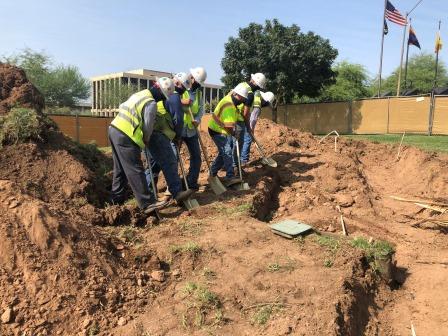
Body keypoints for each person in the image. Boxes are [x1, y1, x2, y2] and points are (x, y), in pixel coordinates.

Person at [108, 77, 174, 214]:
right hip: (126, 134)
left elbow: (122, 107)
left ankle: (115, 200)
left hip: (114, 128)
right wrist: (146, 139)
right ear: (160, 92)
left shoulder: (140, 94)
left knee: (120, 168)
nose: (162, 99)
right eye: (163, 96)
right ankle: (147, 203)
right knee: (135, 168)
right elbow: (148, 126)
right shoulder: (151, 103)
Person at [145, 74, 194, 204]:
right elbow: (178, 120)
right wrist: (178, 137)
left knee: (153, 166)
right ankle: (176, 192)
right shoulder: (174, 97)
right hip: (160, 132)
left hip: (150, 132)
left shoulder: (160, 95)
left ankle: (149, 195)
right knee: (170, 161)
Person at [208, 83, 249, 185]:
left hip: (220, 129)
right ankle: (230, 176)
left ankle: (212, 172)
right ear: (238, 96)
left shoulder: (231, 98)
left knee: (224, 152)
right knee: (227, 151)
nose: (243, 102)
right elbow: (229, 126)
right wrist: (235, 133)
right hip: (217, 130)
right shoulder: (229, 105)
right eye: (243, 99)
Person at [177, 67, 207, 191]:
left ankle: (191, 182)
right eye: (197, 82)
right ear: (192, 78)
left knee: (196, 157)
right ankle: (174, 185)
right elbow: (171, 102)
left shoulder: (199, 93)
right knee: (174, 158)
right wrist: (182, 102)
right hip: (178, 128)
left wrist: (198, 120)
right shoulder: (181, 88)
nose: (198, 85)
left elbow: (201, 110)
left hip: (191, 130)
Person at [232, 73, 267, 168]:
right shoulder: (250, 93)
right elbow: (246, 113)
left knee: (233, 144)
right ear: (255, 82)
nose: (258, 89)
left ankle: (233, 165)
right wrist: (248, 126)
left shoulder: (242, 84)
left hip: (231, 116)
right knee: (238, 145)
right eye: (258, 86)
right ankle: (235, 167)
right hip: (238, 120)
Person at [240, 91, 275, 164]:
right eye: (266, 104)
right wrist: (251, 130)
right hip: (242, 118)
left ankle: (237, 158)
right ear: (265, 101)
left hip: (238, 116)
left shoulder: (256, 94)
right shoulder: (257, 105)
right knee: (248, 138)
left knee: (240, 139)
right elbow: (252, 119)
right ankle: (243, 159)